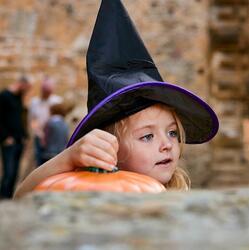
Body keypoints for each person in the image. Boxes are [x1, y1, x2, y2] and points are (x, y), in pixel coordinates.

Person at [14, 0, 219, 198]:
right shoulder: (90, 191)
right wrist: (68, 158)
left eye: (172, 132)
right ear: (111, 150)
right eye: (147, 136)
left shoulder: (177, 192)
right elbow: (22, 197)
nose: (167, 144)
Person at [0, 75, 31, 199]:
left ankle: (9, 199)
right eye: (27, 88)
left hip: (19, 141)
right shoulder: (4, 96)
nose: (27, 91)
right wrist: (4, 137)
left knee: (15, 174)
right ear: (21, 84)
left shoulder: (18, 97)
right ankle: (2, 199)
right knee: (9, 173)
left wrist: (25, 135)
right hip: (8, 142)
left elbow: (20, 118)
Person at [29, 76, 62, 166]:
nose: (47, 94)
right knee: (40, 161)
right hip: (39, 135)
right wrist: (39, 133)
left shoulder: (57, 101)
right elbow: (32, 120)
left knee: (52, 162)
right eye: (45, 92)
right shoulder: (34, 102)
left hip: (52, 136)